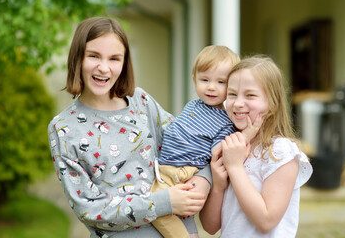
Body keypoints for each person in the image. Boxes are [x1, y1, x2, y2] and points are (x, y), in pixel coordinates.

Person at [47, 16, 211, 238]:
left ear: (124, 63)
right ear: (77, 58)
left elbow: (190, 144)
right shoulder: (63, 127)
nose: (103, 68)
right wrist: (164, 203)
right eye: (93, 56)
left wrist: (203, 180)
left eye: (114, 59)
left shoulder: (140, 100)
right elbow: (88, 208)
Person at [199, 56, 313, 237]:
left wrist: (235, 168)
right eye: (232, 94)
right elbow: (210, 227)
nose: (237, 103)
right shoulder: (230, 146)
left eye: (250, 95)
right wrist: (219, 186)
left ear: (273, 103)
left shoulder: (280, 151)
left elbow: (266, 221)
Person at [150, 45, 244, 238]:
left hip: (186, 171)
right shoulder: (192, 105)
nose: (211, 87)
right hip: (165, 169)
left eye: (221, 82)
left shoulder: (226, 121)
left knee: (159, 210)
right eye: (205, 79)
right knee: (162, 207)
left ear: (232, 87)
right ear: (194, 79)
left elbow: (218, 154)